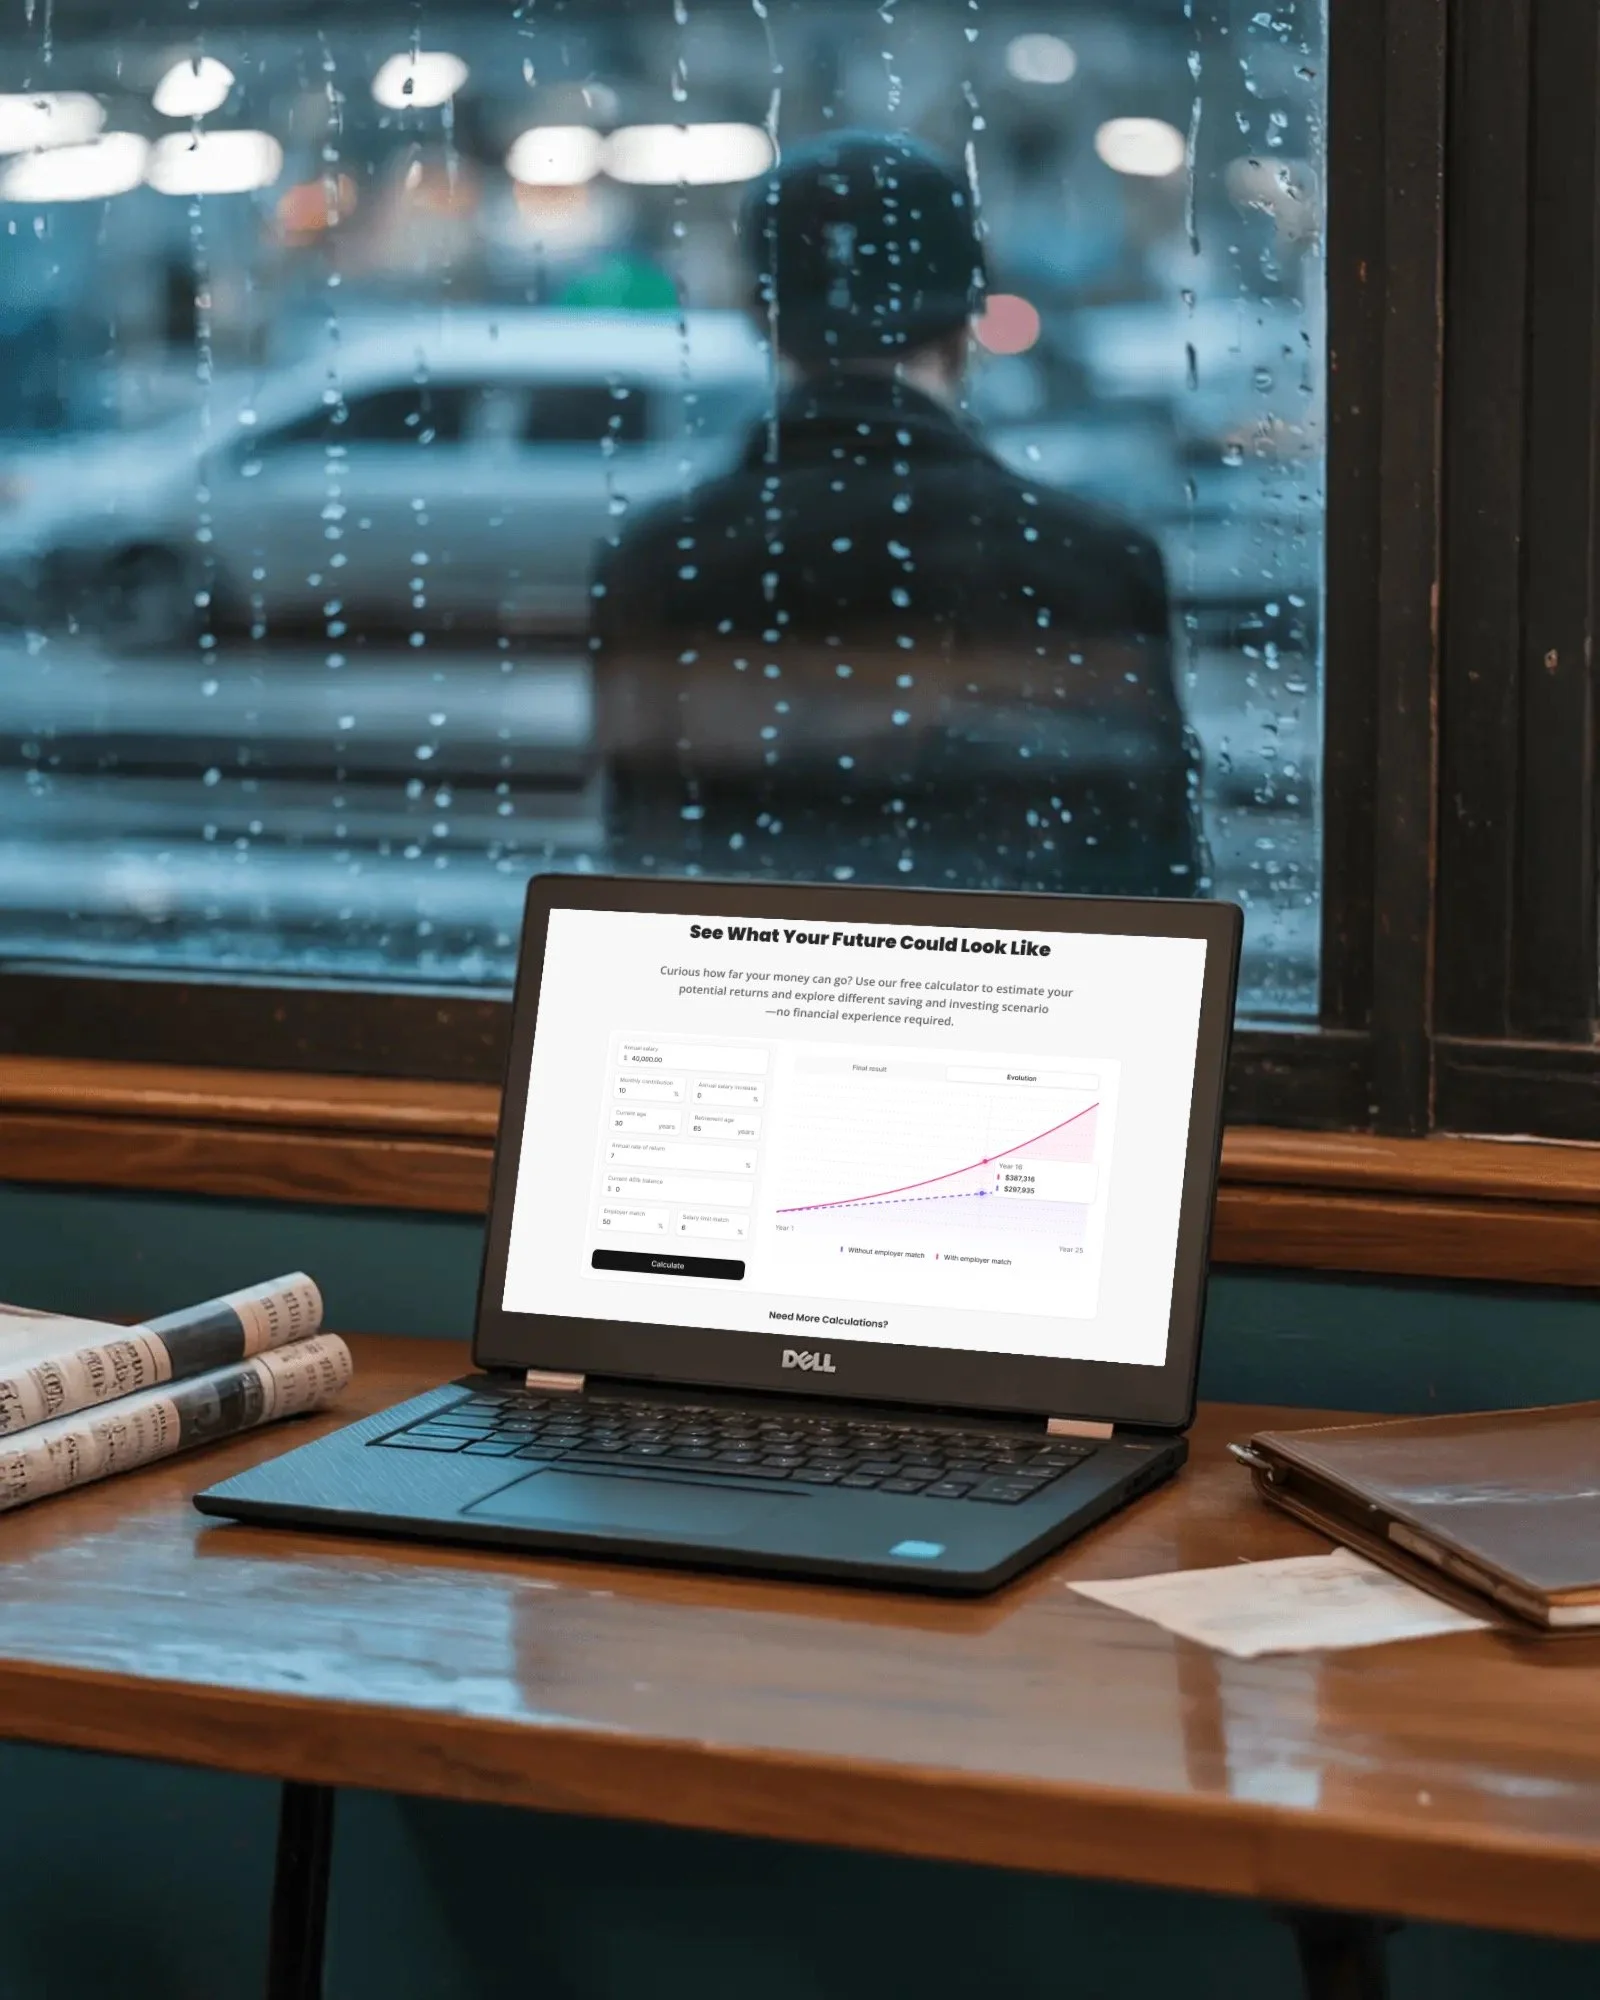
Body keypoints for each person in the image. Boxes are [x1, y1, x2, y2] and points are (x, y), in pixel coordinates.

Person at [591, 130, 1205, 895]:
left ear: (763, 319)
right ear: (969, 320)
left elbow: (648, 863)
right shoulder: (1094, 559)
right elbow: (1145, 886)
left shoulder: (658, 560)